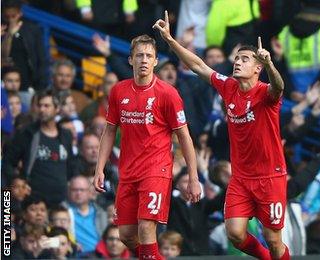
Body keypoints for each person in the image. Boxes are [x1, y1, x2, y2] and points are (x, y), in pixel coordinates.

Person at [153, 11, 290, 260]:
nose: (238, 62)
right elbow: (198, 65)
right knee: (235, 233)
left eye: (245, 59)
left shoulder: (265, 94)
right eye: (237, 59)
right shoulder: (228, 87)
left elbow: (279, 87)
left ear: (258, 68)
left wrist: (270, 63)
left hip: (270, 176)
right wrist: (171, 40)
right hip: (240, 178)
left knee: (273, 239)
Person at [93, 34, 201, 260]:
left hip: (156, 170)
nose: (144, 60)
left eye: (149, 56)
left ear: (155, 61)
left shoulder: (168, 93)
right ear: (130, 60)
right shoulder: (118, 91)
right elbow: (110, 131)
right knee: (126, 235)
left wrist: (193, 177)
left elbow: (184, 136)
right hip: (128, 171)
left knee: (146, 228)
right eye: (139, 55)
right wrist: (99, 168)